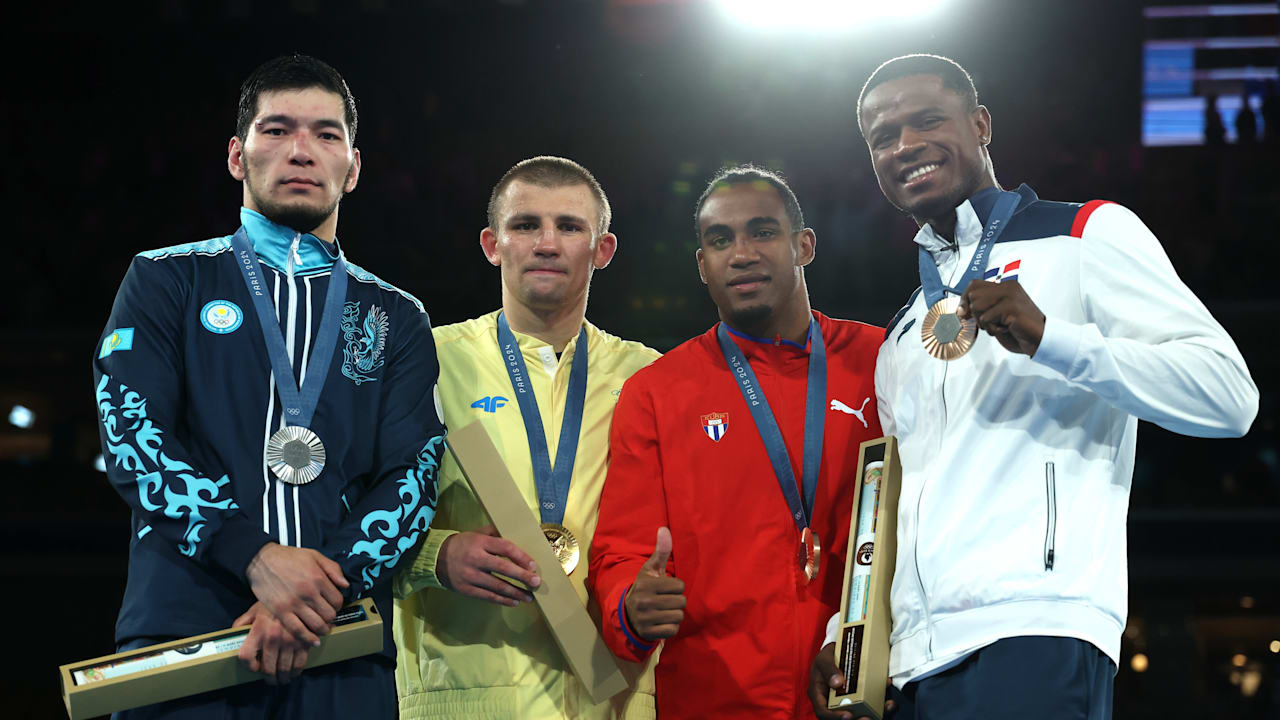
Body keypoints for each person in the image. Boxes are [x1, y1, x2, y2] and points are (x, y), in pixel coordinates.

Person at [809, 53, 1258, 720]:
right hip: (908, 665)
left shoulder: (1085, 233)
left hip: (1035, 632)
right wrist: (848, 635)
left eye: (926, 121)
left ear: (981, 124)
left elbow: (1228, 397)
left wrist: (1054, 340)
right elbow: (891, 496)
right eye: (882, 137)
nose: (904, 146)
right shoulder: (905, 326)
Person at [93, 54, 445, 719]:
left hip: (341, 646)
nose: (302, 150)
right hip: (187, 637)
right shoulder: (167, 280)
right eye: (278, 129)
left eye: (326, 133)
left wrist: (314, 597)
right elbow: (133, 434)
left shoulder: (396, 315)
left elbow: (412, 474)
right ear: (237, 155)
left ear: (355, 165)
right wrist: (253, 556)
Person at [587, 166, 884, 719]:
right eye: (719, 240)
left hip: (856, 689)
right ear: (702, 265)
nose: (741, 253)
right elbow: (623, 550)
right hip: (715, 697)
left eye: (763, 231)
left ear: (804, 245)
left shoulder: (880, 361)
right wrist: (630, 603)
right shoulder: (657, 391)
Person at [392, 156, 660, 719]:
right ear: (492, 244)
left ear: (602, 250)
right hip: (467, 695)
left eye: (569, 226)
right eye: (524, 225)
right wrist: (436, 558)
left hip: (614, 697)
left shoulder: (650, 376)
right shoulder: (426, 361)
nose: (546, 242)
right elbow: (353, 517)